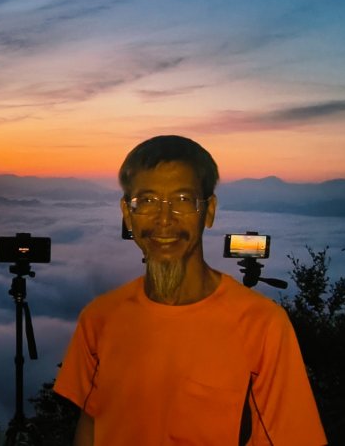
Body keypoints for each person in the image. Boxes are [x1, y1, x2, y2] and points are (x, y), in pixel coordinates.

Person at [54, 135, 326, 445]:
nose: (165, 220)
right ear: (127, 215)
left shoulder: (262, 327)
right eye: (147, 201)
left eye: (183, 200)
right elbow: (91, 426)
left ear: (208, 211)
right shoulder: (98, 320)